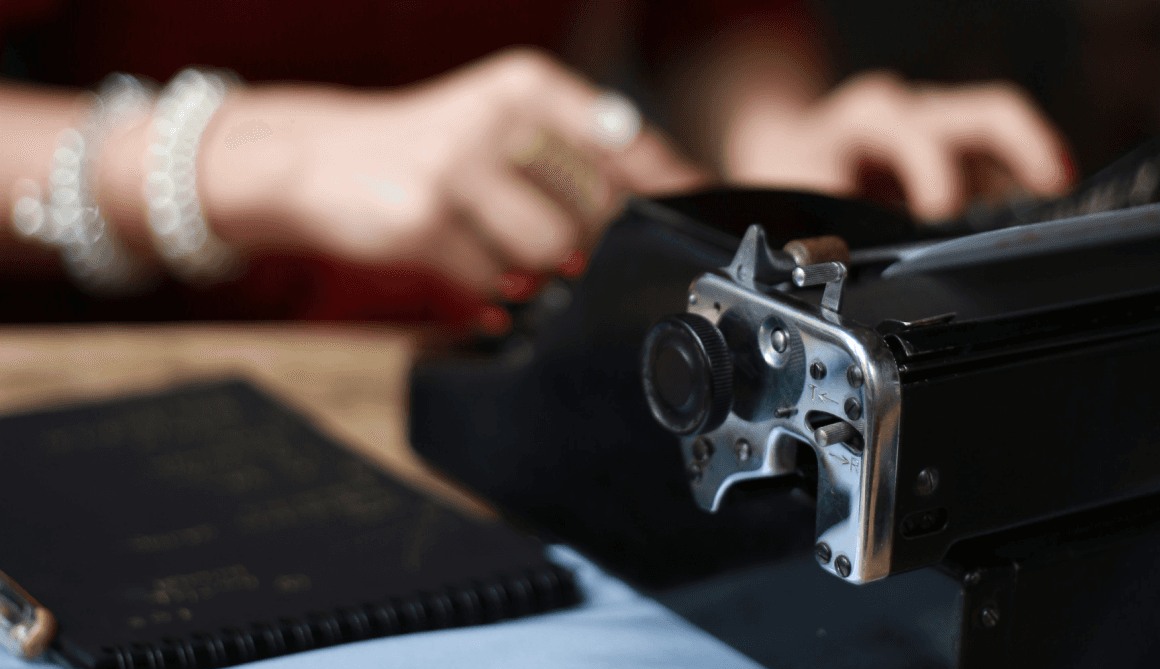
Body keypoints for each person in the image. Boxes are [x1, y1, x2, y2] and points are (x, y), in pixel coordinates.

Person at [0, 0, 1074, 327]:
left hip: (511, 338)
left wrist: (772, 140)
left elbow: (706, 21)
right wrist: (239, 160)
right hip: (114, 382)